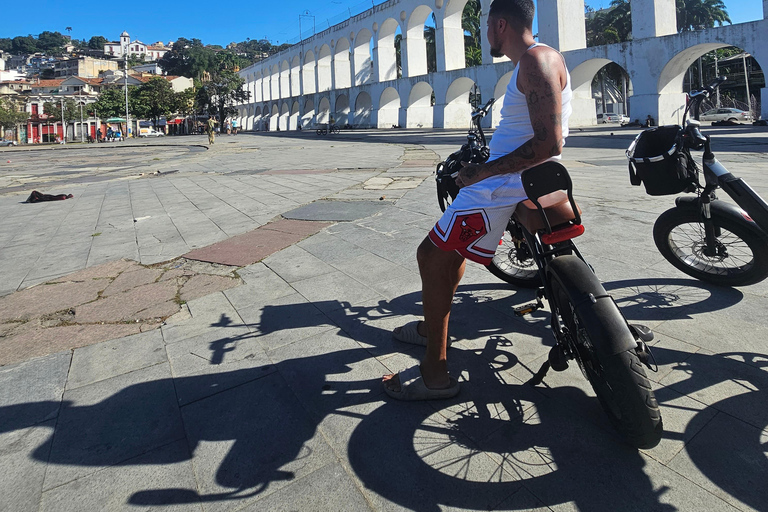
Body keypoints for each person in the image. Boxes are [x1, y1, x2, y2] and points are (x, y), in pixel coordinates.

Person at [382, 0, 572, 400]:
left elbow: (548, 141)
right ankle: (431, 325)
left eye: (487, 26)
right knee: (450, 255)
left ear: (500, 24)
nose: (485, 35)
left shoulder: (535, 61)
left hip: (504, 185)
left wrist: (480, 172)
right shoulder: (541, 59)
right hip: (517, 179)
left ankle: (434, 372)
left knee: (431, 257)